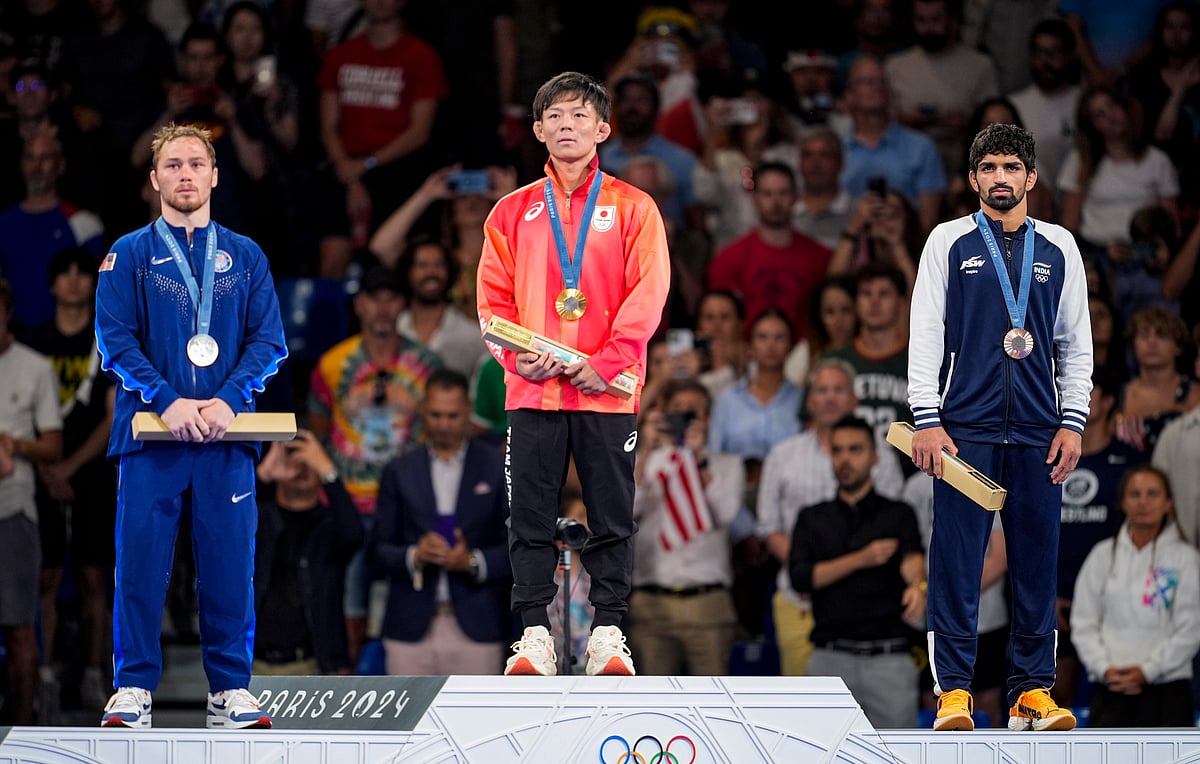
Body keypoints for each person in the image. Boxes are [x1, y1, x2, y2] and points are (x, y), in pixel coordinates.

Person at [475, 71, 670, 677]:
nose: (567, 125)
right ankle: (534, 633)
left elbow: (649, 294)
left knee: (612, 513)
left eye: (580, 115)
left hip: (606, 390)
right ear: (538, 130)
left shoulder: (634, 207)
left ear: (603, 129)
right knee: (528, 515)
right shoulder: (511, 211)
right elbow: (492, 302)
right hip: (533, 387)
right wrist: (514, 358)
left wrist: (606, 363)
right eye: (555, 116)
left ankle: (608, 632)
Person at [94, 122, 288, 729]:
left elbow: (268, 341)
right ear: (155, 179)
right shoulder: (128, 254)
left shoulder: (246, 256)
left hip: (225, 437)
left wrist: (229, 400)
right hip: (152, 436)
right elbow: (115, 339)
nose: (185, 174)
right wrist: (166, 401)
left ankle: (229, 690)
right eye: (173, 165)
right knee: (140, 565)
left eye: (196, 164)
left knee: (230, 567)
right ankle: (132, 688)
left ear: (214, 176)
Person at [909, 122, 1092, 732]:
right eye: (988, 168)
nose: (1000, 177)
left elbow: (1076, 342)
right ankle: (955, 692)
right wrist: (926, 418)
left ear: (1032, 177)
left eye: (1012, 167)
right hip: (964, 428)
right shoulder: (948, 241)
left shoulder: (1060, 247)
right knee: (957, 561)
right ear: (972, 179)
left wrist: (1073, 421)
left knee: (1038, 563)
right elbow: (925, 332)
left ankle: (1031, 692)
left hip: (1040, 429)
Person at [308, 265, 441, 666]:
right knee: (348, 605)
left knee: (413, 604)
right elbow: (319, 435)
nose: (382, 308)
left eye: (391, 299)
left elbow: (439, 434)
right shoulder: (332, 364)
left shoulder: (428, 364)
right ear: (359, 305)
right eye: (373, 299)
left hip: (409, 508)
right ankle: (350, 685)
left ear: (403, 305)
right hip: (349, 507)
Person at [757, 357, 905, 677]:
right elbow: (769, 527)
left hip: (866, 604)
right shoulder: (783, 455)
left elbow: (893, 521)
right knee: (804, 700)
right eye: (821, 390)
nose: (829, 398)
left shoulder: (881, 455)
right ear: (810, 401)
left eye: (838, 390)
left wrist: (839, 573)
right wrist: (809, 570)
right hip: (798, 598)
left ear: (854, 399)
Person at [789, 415, 926, 729]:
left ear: (875, 457)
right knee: (820, 750)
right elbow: (801, 578)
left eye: (855, 449)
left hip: (889, 659)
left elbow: (911, 558)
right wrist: (861, 558)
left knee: (895, 751)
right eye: (838, 450)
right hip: (829, 657)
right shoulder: (812, 518)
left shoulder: (898, 513)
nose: (845, 459)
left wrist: (918, 585)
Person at [371, 369, 511, 675]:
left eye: (452, 416)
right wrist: (415, 555)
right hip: (409, 626)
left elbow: (517, 548)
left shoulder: (496, 466)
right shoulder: (399, 469)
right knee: (408, 710)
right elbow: (378, 551)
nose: (444, 424)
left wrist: (472, 561)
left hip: (478, 625)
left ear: (468, 410)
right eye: (435, 415)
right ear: (422, 409)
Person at [25, 248, 116, 716]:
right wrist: (47, 469)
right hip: (39, 475)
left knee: (93, 575)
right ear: (51, 285)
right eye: (65, 273)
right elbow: (19, 413)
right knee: (45, 575)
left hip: (92, 473)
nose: (76, 280)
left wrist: (70, 467)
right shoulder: (34, 341)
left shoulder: (108, 341)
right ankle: (43, 675)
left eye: (83, 273)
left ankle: (95, 675)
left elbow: (113, 416)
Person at [627, 377, 744, 676]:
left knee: (713, 699)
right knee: (650, 699)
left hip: (707, 605)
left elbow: (724, 514)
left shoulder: (728, 465)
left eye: (694, 410)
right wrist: (646, 448)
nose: (685, 416)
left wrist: (698, 460)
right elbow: (627, 510)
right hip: (651, 603)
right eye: (678, 409)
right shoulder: (648, 463)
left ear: (707, 418)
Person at [1070, 465, 1200, 727]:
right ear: (1122, 502)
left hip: (1168, 691)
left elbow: (1191, 628)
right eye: (1135, 494)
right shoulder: (1102, 555)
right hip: (1110, 688)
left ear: (1168, 503)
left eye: (1152, 494)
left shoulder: (1186, 558)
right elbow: (1083, 622)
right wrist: (1104, 668)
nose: (1143, 502)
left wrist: (1148, 670)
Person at [0, 276, 63, 725]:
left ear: (7, 311)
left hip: (14, 509)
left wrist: (14, 445)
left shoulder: (35, 366)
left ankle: (21, 732)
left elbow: (53, 445)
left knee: (20, 625)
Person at [253, 429, 362, 676]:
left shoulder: (331, 526)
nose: (301, 465)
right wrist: (264, 473)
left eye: (309, 458)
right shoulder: (258, 518)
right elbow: (219, 526)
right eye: (292, 454)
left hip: (313, 665)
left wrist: (329, 473)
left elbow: (354, 536)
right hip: (251, 664)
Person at [705, 162, 832, 341]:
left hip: (805, 351)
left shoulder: (819, 257)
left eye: (783, 193)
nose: (775, 202)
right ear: (755, 198)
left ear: (796, 197)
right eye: (767, 193)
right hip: (746, 353)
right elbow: (717, 318)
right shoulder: (728, 259)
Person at [0, 129, 105, 337]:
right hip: (14, 339)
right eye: (30, 158)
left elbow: (99, 288)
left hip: (70, 340)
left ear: (60, 165)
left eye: (45, 158)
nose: (37, 166)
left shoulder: (83, 224)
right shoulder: (4, 223)